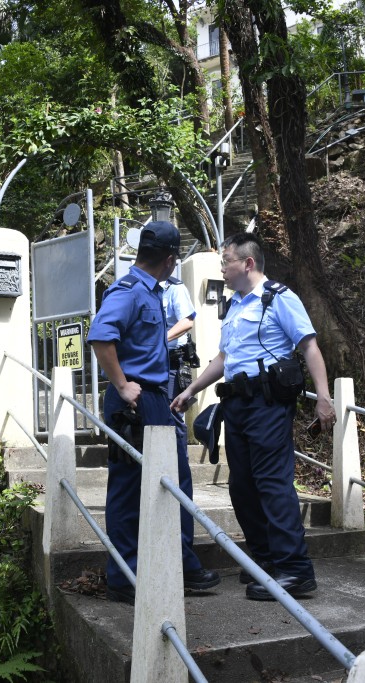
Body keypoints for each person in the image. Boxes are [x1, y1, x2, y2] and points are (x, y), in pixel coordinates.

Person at [171, 232, 336, 601]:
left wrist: (323, 397)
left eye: (226, 260)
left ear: (247, 263)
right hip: (237, 407)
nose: (222, 268)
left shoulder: (279, 298)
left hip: (268, 405)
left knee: (273, 485)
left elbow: (309, 346)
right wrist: (191, 390)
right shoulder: (235, 306)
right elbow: (224, 359)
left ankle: (294, 570)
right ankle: (266, 564)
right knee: (242, 487)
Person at [87, 221, 221, 604]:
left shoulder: (151, 291)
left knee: (175, 483)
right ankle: (124, 577)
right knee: (130, 489)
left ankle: (181, 564)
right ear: (170, 259)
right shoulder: (128, 291)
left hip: (157, 400)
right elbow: (100, 335)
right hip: (134, 402)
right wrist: (121, 384)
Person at [162, 276, 198, 443]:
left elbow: (186, 322)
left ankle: (181, 467)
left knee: (173, 415)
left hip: (171, 362)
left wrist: (157, 341)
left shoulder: (175, 288)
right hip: (150, 363)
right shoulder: (143, 289)